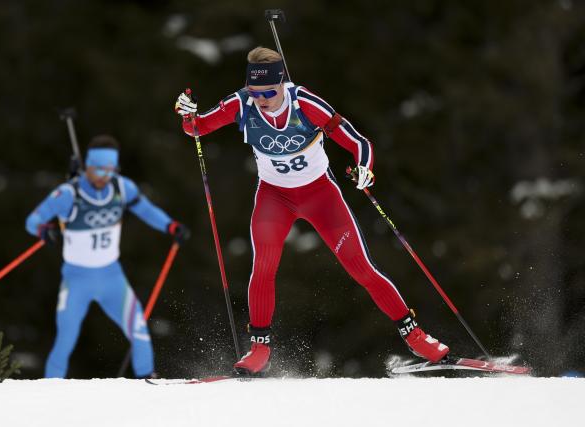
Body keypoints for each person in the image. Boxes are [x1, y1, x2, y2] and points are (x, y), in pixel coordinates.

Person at [174, 47, 449, 375]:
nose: (261, 99)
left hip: (321, 196)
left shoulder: (305, 103)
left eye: (269, 92)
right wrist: (187, 114)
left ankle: (416, 337)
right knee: (263, 267)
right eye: (255, 92)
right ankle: (259, 349)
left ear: (281, 84)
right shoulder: (240, 103)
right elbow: (198, 129)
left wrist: (365, 169)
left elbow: (358, 141)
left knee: (361, 268)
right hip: (274, 197)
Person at [25, 135, 190, 378]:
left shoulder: (122, 187)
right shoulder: (69, 194)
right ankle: (50, 393)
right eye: (100, 169)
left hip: (112, 278)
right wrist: (43, 231)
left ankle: (148, 381)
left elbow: (145, 209)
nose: (105, 175)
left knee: (139, 329)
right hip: (76, 279)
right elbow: (33, 220)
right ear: (87, 166)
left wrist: (170, 226)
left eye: (110, 169)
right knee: (65, 340)